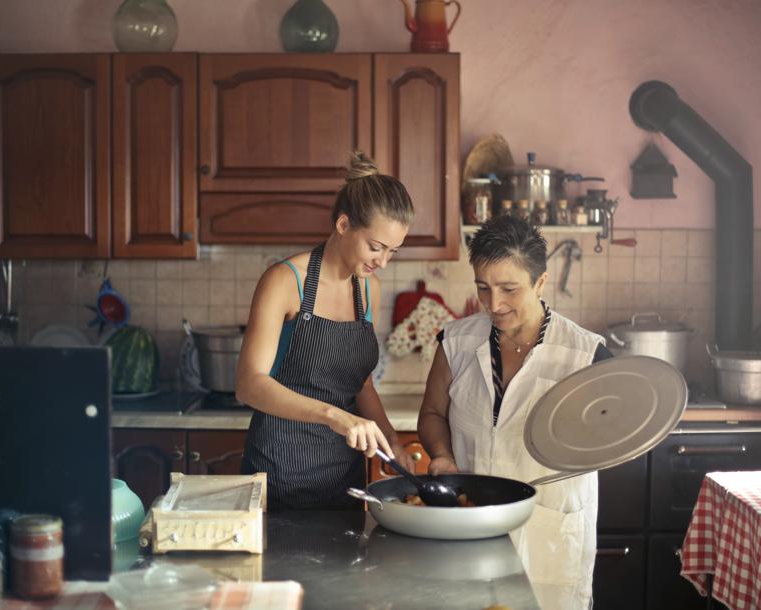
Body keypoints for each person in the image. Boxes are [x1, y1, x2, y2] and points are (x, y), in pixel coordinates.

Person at [417, 215, 612, 610]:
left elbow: (611, 439)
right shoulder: (455, 341)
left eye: (509, 289)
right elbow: (433, 414)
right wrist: (442, 454)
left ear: (541, 283)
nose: (494, 304)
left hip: (549, 534)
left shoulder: (585, 354)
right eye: (483, 288)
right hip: (470, 529)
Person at [236, 151, 417, 511]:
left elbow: (360, 383)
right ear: (344, 225)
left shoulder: (369, 289)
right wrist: (334, 415)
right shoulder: (285, 281)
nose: (382, 261)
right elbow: (249, 385)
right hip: (279, 472)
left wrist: (392, 440)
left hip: (344, 479)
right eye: (376, 247)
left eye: (393, 251)